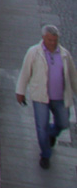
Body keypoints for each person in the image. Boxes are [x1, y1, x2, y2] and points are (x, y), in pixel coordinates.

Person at [15, 24, 77, 170]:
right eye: (50, 40)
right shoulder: (33, 53)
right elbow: (25, 73)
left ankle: (51, 134)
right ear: (43, 38)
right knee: (41, 128)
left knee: (63, 123)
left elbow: (72, 76)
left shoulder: (65, 55)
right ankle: (45, 154)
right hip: (40, 97)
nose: (53, 43)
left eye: (55, 40)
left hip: (60, 97)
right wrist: (20, 91)